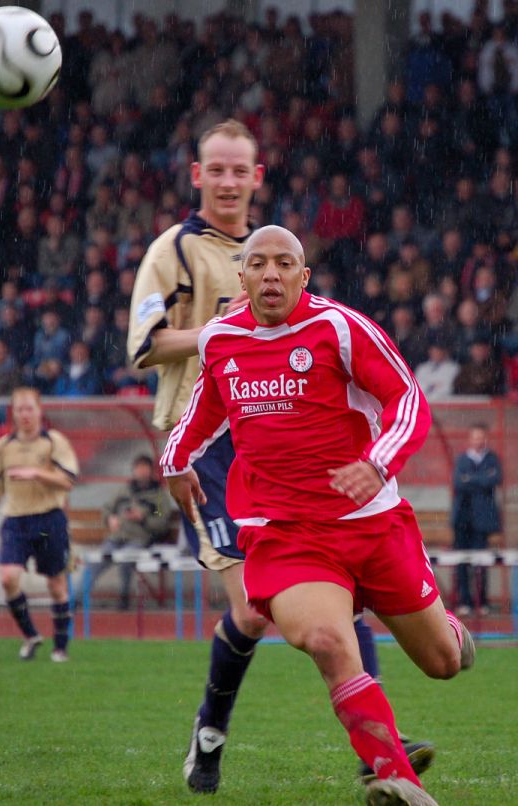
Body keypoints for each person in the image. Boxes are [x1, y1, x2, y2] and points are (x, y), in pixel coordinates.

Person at [127, 119, 432, 795]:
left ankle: (376, 746)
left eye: (240, 170)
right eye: (216, 169)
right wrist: (224, 334)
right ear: (197, 175)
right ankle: (210, 732)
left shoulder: (273, 251)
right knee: (253, 609)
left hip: (290, 440)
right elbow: (144, 345)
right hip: (209, 451)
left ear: (256, 177)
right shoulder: (172, 252)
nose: (228, 181)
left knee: (338, 586)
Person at [161, 225, 475, 806]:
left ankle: (451, 631)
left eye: (284, 264)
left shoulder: (340, 328)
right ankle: (397, 780)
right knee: (328, 641)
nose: (271, 274)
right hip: (286, 534)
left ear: (303, 276)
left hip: (372, 524)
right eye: (259, 263)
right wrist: (175, 461)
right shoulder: (220, 340)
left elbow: (407, 397)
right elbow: (204, 409)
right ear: (242, 277)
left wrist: (378, 463)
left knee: (442, 663)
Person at [0, 387, 79, 662]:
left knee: (56, 585)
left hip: (49, 518)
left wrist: (36, 473)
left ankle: (60, 647)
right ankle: (31, 635)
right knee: (7, 577)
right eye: (19, 409)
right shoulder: (4, 445)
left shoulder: (53, 441)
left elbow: (69, 480)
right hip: (15, 520)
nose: (25, 414)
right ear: (13, 413)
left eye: (29, 408)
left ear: (39, 411)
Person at [74, 455, 174, 610]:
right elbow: (107, 509)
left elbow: (161, 523)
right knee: (95, 562)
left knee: (126, 559)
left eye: (144, 468)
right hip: (116, 538)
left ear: (151, 471)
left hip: (140, 539)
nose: (141, 471)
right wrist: (110, 519)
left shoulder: (159, 496)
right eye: (138, 468)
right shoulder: (124, 490)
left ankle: (124, 598)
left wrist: (142, 518)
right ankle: (75, 600)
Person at [451, 423, 502, 616]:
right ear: (469, 439)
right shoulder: (462, 459)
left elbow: (494, 480)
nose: (478, 441)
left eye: (481, 437)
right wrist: (481, 480)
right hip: (462, 519)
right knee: (462, 562)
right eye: (475, 437)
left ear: (485, 439)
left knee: (481, 562)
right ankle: (465, 601)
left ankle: (482, 602)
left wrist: (470, 479)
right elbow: (459, 482)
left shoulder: (492, 459)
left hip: (482, 521)